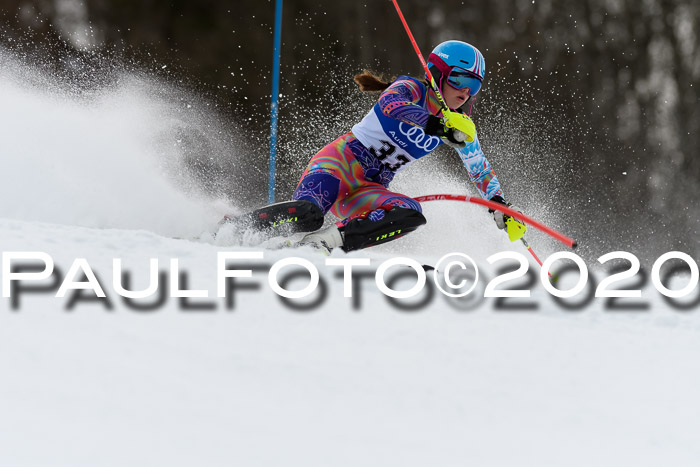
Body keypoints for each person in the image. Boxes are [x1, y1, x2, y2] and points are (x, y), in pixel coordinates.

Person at [227, 40, 523, 252]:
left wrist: (498, 204)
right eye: (460, 80)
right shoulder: (411, 88)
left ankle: (324, 244)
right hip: (338, 166)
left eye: (474, 86)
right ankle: (234, 228)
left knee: (411, 212)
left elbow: (479, 167)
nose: (466, 92)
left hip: (368, 188)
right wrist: (435, 125)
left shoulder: (459, 126)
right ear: (438, 74)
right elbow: (391, 104)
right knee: (308, 214)